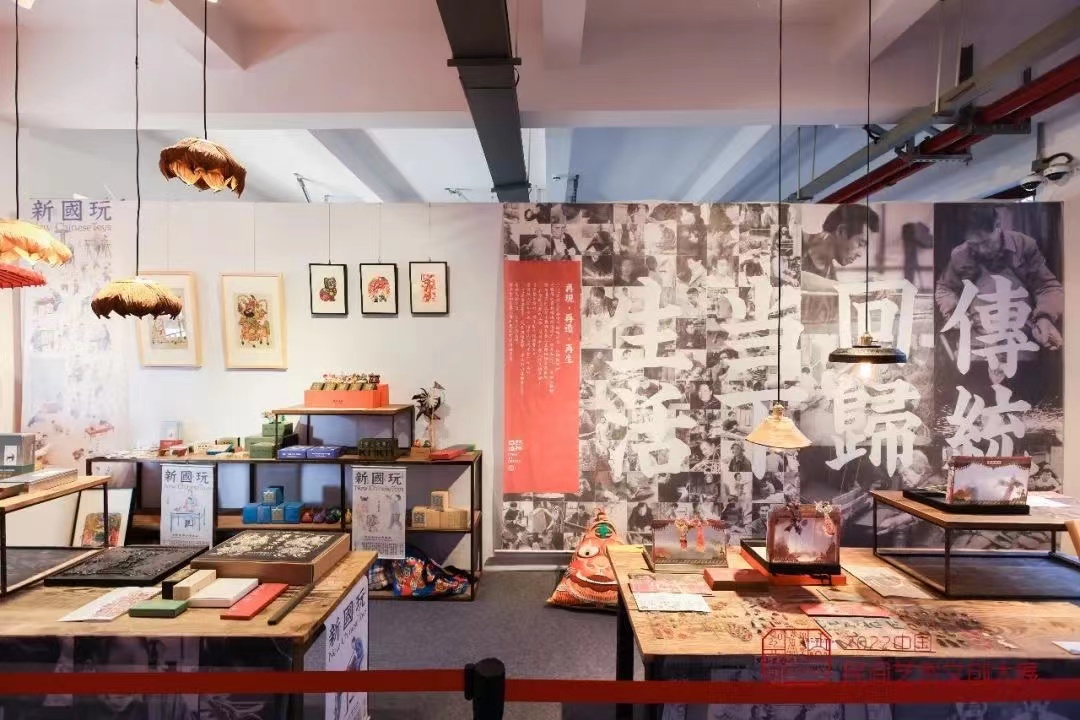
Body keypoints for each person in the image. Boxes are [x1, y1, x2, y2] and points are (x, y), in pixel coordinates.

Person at [935, 204, 1063, 353]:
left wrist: (1045, 317)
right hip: (979, 339)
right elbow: (945, 289)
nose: (982, 250)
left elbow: (1047, 287)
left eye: (986, 243)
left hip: (1022, 335)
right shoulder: (961, 254)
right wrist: (954, 311)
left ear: (998, 225)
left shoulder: (1023, 245)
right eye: (974, 245)